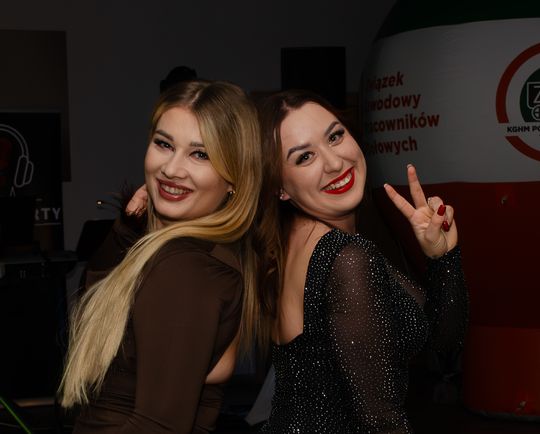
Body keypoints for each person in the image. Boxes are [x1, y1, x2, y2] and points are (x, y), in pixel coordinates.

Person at [254, 89, 468, 433]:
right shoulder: (346, 258)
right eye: (304, 157)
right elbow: (380, 421)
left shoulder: (296, 241)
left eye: (335, 136)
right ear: (279, 186)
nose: (335, 163)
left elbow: (444, 342)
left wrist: (442, 255)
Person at [59, 80, 262, 433]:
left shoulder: (184, 268)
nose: (171, 169)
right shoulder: (190, 255)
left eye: (200, 154)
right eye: (164, 144)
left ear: (234, 177)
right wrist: (128, 228)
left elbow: (159, 426)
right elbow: (94, 307)